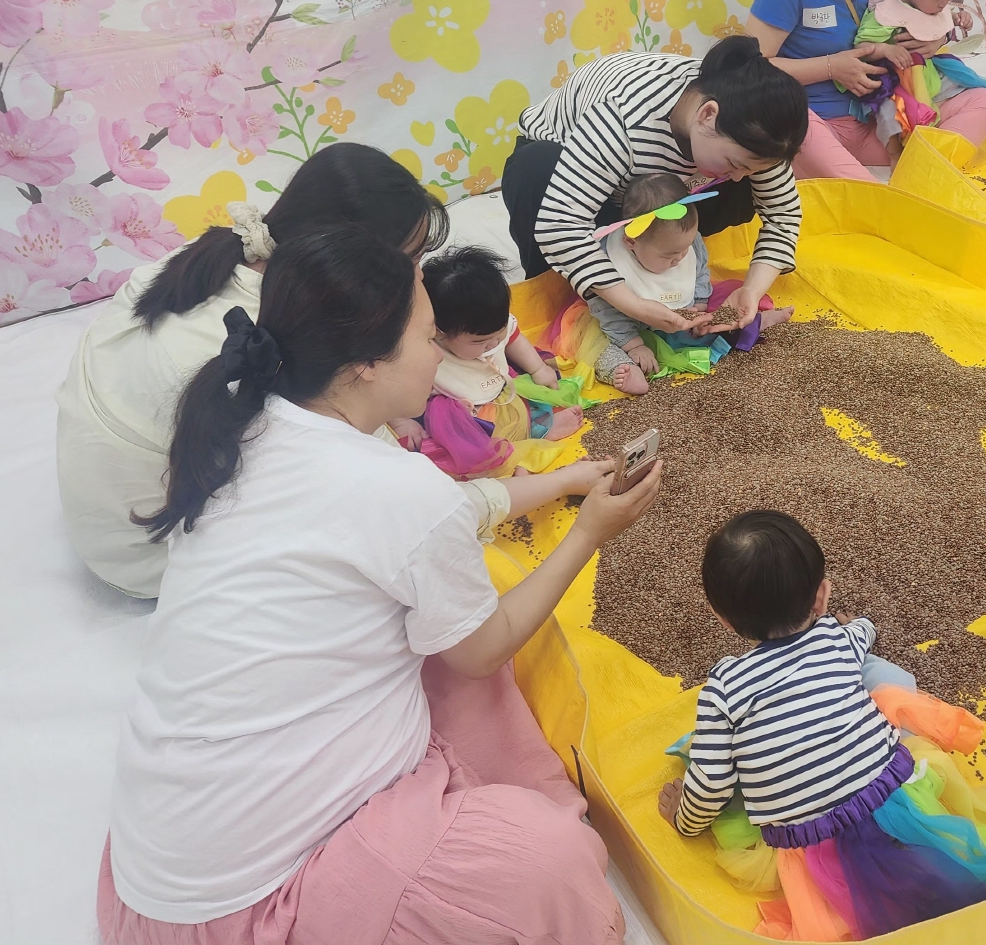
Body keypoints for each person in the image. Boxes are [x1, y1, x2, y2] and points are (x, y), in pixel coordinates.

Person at [98, 227, 662, 944]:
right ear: (366, 363)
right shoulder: (397, 487)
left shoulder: (245, 430)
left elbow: (442, 514)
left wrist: (562, 481)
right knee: (546, 857)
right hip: (254, 904)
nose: (440, 354)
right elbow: (481, 648)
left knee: (439, 640)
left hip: (154, 878)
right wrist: (587, 534)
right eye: (428, 337)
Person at [53, 142, 513, 599]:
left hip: (105, 525)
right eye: (410, 262)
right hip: (152, 562)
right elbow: (394, 505)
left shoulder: (208, 257)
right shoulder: (282, 344)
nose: (419, 278)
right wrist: (502, 495)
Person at [655, 510, 986, 941]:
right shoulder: (835, 637)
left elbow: (711, 783)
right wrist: (860, 625)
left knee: (721, 756)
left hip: (808, 846)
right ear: (822, 596)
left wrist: (685, 819)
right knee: (886, 683)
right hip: (899, 800)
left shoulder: (724, 687)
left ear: (723, 618)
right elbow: (863, 633)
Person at [502, 35, 807, 336]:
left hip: (662, 193)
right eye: (734, 163)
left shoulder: (759, 128)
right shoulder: (624, 117)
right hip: (580, 184)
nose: (738, 177)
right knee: (536, 168)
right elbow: (559, 224)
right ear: (707, 114)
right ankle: (572, 292)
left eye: (749, 168)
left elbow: (783, 214)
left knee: (745, 185)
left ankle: (659, 259)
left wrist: (751, 290)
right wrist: (633, 305)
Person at [744, 0, 986, 180]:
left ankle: (918, 175)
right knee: (794, 131)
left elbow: (912, 8)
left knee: (982, 101)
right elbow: (749, 69)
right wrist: (831, 67)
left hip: (880, 119)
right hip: (822, 122)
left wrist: (936, 38)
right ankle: (891, 184)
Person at [385, 245, 590, 478]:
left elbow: (513, 338)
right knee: (460, 444)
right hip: (458, 409)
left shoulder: (491, 329)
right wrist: (401, 422)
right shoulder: (424, 350)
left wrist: (538, 368)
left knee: (529, 395)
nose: (493, 343)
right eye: (480, 341)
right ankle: (507, 456)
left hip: (501, 385)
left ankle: (538, 428)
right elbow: (391, 386)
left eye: (498, 333)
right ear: (439, 332)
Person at [847, 0, 986, 162]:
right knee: (888, 112)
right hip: (896, 85)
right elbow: (861, 46)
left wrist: (956, 19)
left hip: (929, 81)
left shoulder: (930, 1)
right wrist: (886, 50)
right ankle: (897, 155)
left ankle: (931, 152)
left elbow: (938, 19)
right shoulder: (886, 11)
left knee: (982, 96)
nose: (944, 3)